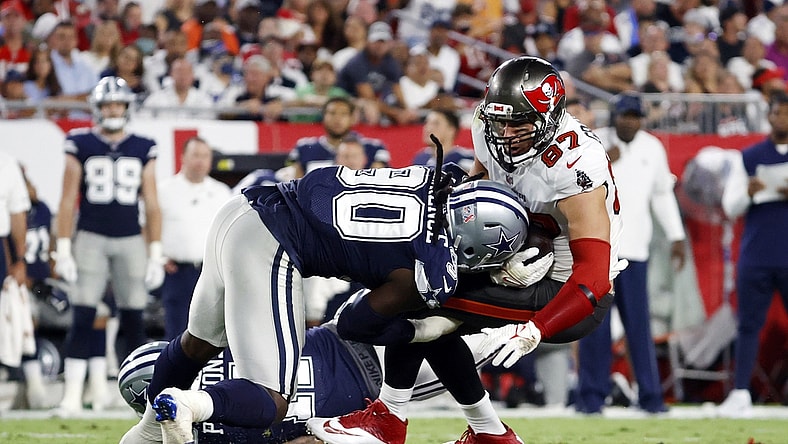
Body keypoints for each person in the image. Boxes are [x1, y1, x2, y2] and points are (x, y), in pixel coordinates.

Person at [309, 55, 623, 443]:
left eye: (518, 124)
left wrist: (534, 330)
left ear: (549, 120)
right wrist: (492, 260)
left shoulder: (575, 165)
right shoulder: (487, 128)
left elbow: (592, 277)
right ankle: (487, 432)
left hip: (566, 292)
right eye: (500, 121)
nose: (505, 134)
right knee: (426, 288)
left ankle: (391, 420)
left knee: (423, 296)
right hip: (516, 264)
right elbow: (478, 202)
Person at [118, 164, 527, 444]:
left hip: (240, 211)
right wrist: (420, 328)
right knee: (271, 400)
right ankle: (191, 404)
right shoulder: (424, 272)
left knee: (197, 344)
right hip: (272, 243)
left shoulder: (437, 180)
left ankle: (148, 430)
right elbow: (353, 324)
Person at [52, 76, 164, 416]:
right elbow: (68, 199)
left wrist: (156, 250)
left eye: (118, 104)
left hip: (131, 237)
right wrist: (63, 246)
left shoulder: (143, 145)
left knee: (133, 318)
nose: (114, 110)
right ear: (97, 109)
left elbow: (153, 203)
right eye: (108, 105)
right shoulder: (80, 143)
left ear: (127, 107)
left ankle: (142, 398)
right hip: (91, 236)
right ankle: (71, 396)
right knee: (83, 314)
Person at [575, 92, 686, 415]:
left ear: (642, 119)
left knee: (639, 327)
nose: (628, 121)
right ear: (614, 116)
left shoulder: (652, 147)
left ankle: (651, 398)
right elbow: (575, 187)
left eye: (634, 116)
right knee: (595, 328)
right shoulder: (594, 145)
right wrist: (601, 163)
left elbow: (662, 196)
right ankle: (590, 399)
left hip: (635, 251)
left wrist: (677, 236)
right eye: (624, 116)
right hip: (598, 253)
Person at [716, 91, 788, 418]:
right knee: (748, 324)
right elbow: (730, 207)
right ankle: (741, 391)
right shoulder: (749, 156)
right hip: (757, 253)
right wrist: (747, 193)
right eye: (778, 113)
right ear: (769, 116)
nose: (782, 119)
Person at [157, 136, 231, 340]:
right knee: (177, 333)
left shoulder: (222, 192)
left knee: (214, 334)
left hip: (214, 274)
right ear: (183, 157)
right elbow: (147, 226)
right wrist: (158, 258)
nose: (201, 161)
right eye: (196, 155)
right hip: (178, 272)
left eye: (205, 156)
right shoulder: (164, 190)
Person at [287, 96, 390, 178]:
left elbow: (378, 184)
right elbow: (295, 186)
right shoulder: (304, 148)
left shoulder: (374, 148)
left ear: (352, 118)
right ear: (323, 116)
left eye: (343, 114)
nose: (337, 119)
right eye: (332, 113)